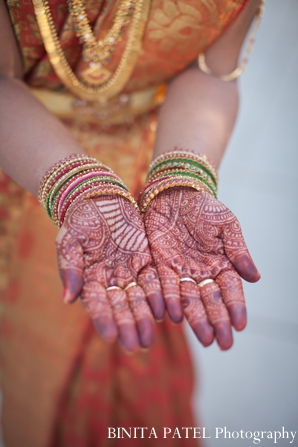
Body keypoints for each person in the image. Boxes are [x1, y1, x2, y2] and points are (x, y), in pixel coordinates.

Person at [0, 0, 263, 446]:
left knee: (146, 323)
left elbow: (210, 71)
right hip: (23, 160)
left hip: (151, 161)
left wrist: (181, 178)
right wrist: (78, 189)